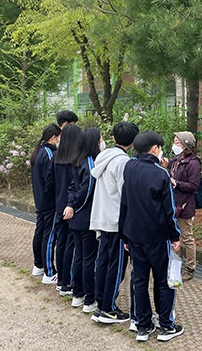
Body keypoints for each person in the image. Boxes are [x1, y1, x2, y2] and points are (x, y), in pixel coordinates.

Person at [119, 131, 184, 343]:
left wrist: (124, 235)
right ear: (155, 148)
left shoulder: (129, 167)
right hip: (157, 237)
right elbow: (169, 210)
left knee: (139, 280)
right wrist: (175, 236)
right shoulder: (161, 174)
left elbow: (125, 203)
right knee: (164, 280)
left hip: (134, 234)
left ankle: (143, 325)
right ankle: (166, 324)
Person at [89, 122, 139, 324]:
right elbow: (125, 193)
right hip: (116, 220)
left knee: (103, 262)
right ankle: (108, 309)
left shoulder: (103, 156)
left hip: (102, 216)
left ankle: (100, 302)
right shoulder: (122, 162)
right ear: (134, 141)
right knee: (117, 266)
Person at [63, 127, 101, 313]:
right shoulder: (90, 163)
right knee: (88, 258)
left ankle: (77, 294)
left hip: (75, 217)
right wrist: (75, 205)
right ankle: (89, 299)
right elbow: (86, 191)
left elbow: (72, 187)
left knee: (79, 256)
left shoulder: (77, 161)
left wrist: (70, 205)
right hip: (86, 217)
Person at [165, 131, 201, 281]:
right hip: (174, 203)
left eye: (177, 142)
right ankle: (175, 266)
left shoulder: (193, 163)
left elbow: (193, 185)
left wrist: (177, 183)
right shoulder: (177, 160)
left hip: (184, 205)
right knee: (174, 236)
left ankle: (190, 267)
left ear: (186, 145)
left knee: (187, 237)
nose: (174, 145)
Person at [29, 124, 61, 279]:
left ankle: (38, 265)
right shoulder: (49, 154)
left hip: (40, 199)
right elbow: (51, 179)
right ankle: (49, 272)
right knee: (49, 236)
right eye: (59, 137)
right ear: (53, 137)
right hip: (49, 202)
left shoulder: (38, 152)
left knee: (40, 232)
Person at [52, 124, 81, 292]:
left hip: (59, 205)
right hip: (72, 207)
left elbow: (49, 181)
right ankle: (68, 282)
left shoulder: (55, 157)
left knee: (61, 243)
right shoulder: (76, 159)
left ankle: (61, 280)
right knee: (72, 245)